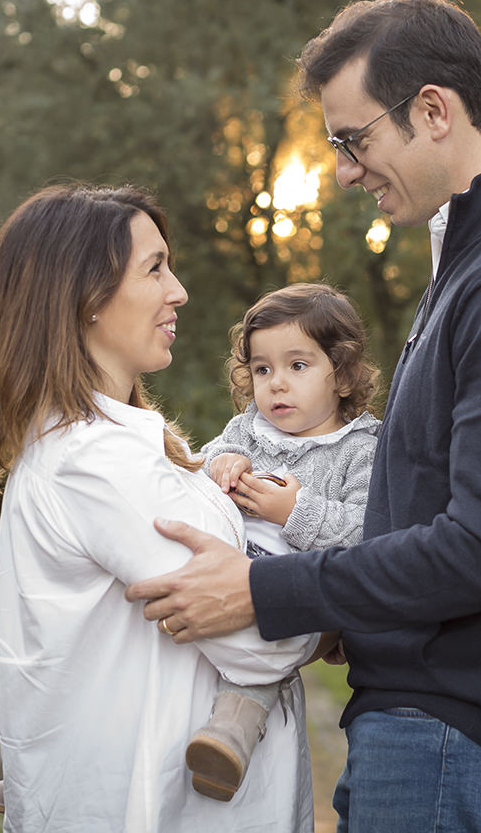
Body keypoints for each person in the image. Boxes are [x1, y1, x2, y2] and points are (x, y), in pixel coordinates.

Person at [125, 0, 481, 833]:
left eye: (354, 140)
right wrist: (345, 607)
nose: (344, 171)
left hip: (464, 739)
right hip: (434, 731)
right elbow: (424, 511)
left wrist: (266, 589)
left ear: (433, 111)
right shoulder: (480, 264)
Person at [0, 184, 319, 832]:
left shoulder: (122, 448)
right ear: (83, 298)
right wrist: (333, 605)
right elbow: (261, 642)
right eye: (154, 268)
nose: (179, 291)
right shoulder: (99, 465)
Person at [185, 282, 381, 801]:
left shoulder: (361, 448)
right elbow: (195, 471)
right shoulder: (247, 430)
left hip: (294, 595)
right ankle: (61, 762)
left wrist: (295, 512)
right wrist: (221, 464)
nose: (276, 385)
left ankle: (231, 735)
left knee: (265, 652)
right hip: (222, 571)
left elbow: (367, 532)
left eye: (297, 366)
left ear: (341, 374)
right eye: (262, 369)